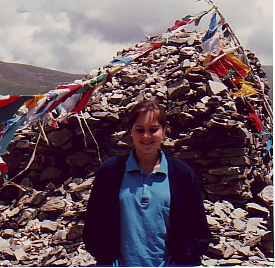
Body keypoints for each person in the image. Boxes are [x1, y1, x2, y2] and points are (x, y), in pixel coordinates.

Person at [83, 99, 211, 266]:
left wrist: (184, 258)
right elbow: (94, 224)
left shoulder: (182, 174)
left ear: (164, 131)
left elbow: (198, 229)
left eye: (153, 129)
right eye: (139, 130)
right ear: (130, 131)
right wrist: (106, 257)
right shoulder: (111, 172)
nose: (146, 136)